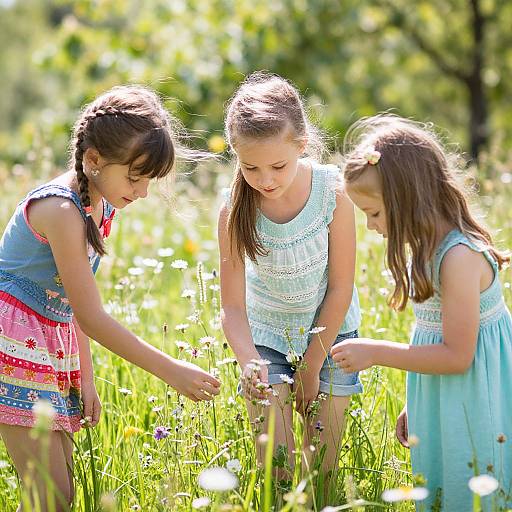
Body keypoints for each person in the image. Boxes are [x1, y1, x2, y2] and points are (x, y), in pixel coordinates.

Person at [0, 85, 220, 511]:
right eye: (134, 178)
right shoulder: (62, 211)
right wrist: (171, 370)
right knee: (50, 494)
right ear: (93, 160)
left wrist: (84, 376)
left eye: (148, 181)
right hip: (12, 341)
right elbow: (92, 315)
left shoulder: (98, 205)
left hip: (47, 339)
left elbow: (71, 302)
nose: (141, 192)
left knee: (59, 488)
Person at [331, 114, 512, 510]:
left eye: (375, 214)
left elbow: (458, 354)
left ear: (407, 200)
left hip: (474, 403)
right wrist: (418, 401)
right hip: (446, 395)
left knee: (472, 491)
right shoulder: (428, 250)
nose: (371, 226)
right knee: (443, 488)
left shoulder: (458, 258)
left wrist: (375, 352)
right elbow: (441, 343)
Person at [218, 72, 361, 485]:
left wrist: (313, 365)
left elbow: (340, 287)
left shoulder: (333, 192)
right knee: (277, 468)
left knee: (321, 472)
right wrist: (249, 362)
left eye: (278, 165)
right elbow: (231, 306)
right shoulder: (233, 209)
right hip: (267, 338)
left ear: (301, 145)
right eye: (251, 167)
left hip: (332, 336)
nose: (265, 180)